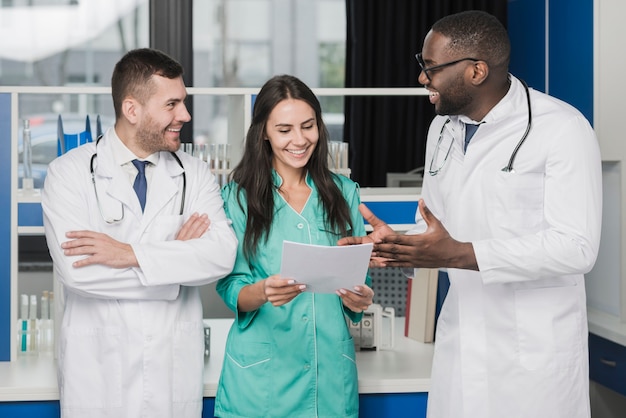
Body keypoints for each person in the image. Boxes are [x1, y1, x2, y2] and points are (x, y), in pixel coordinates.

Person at [338, 10, 602, 418]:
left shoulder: (562, 129)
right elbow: (439, 231)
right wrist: (397, 244)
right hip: (462, 343)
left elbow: (577, 248)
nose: (422, 78)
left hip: (532, 358)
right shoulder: (441, 130)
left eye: (431, 68)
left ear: (477, 70)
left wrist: (456, 254)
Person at [41, 48, 238, 418]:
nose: (185, 115)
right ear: (132, 110)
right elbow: (78, 272)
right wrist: (174, 271)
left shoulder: (193, 173)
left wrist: (128, 254)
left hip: (171, 372)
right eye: (172, 104)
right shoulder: (68, 174)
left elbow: (221, 255)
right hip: (98, 374)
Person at [213, 74, 374, 418]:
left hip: (329, 378)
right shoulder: (237, 199)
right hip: (261, 381)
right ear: (264, 134)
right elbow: (229, 286)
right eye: (285, 130)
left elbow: (358, 288)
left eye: (308, 126)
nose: (300, 140)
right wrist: (262, 291)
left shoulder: (345, 193)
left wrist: (360, 299)